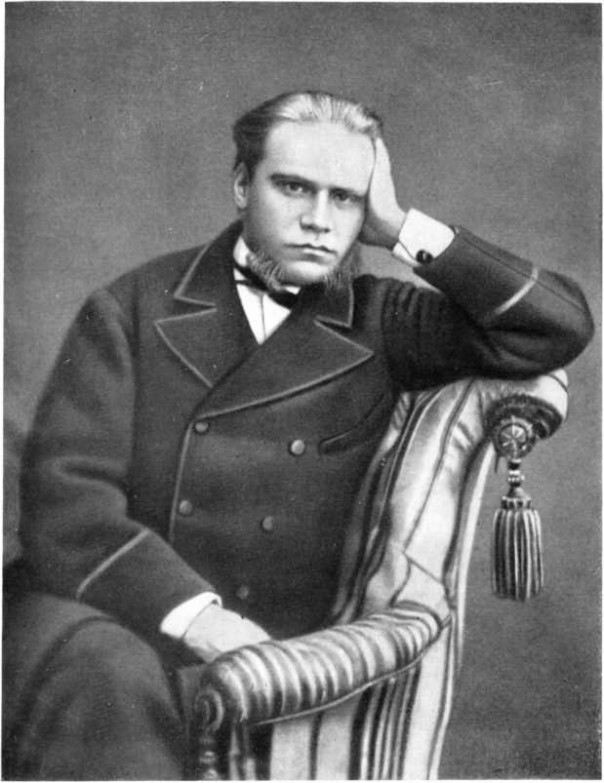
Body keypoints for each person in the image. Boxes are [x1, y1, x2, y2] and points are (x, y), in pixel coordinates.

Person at [3, 90, 593, 779]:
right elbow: (68, 503)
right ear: (241, 185)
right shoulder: (131, 306)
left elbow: (556, 325)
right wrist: (199, 619)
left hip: (269, 652)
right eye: (292, 187)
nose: (319, 219)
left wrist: (399, 226)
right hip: (103, 608)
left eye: (345, 198)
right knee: (103, 677)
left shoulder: (379, 320)